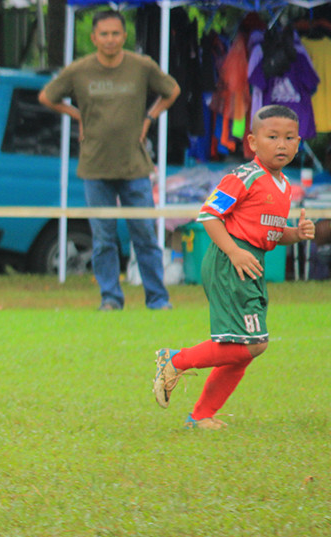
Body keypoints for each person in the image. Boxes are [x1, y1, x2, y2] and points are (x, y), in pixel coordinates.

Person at [153, 105, 315, 429]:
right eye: (272, 137)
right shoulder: (244, 176)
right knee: (253, 344)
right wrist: (234, 252)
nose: (281, 144)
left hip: (251, 261)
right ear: (253, 142)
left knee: (246, 348)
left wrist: (295, 234)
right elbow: (210, 216)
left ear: (298, 144)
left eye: (289, 138)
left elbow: (268, 232)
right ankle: (175, 360)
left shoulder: (283, 185)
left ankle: (200, 417)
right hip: (231, 261)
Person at [39, 9, 180, 311]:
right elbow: (47, 97)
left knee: (144, 234)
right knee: (103, 237)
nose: (110, 39)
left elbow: (172, 90)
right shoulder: (79, 70)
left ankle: (158, 298)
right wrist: (77, 115)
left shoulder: (141, 66)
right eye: (104, 34)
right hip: (95, 167)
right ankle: (111, 298)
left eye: (116, 33)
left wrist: (149, 118)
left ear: (124, 36)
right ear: (93, 38)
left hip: (134, 166)